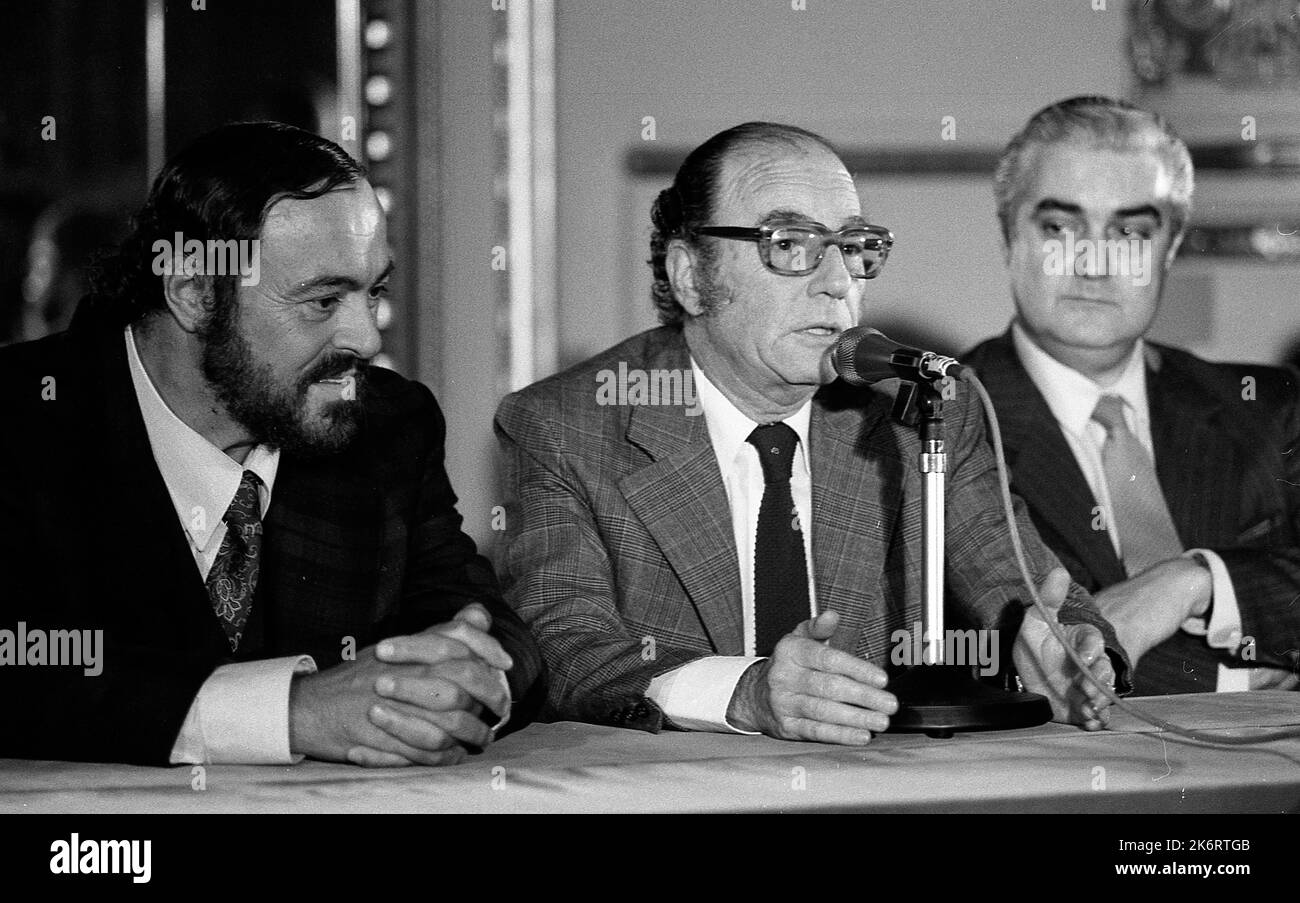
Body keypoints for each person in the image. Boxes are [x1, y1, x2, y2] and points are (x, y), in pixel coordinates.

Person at [495, 121, 1124, 745]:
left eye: (853, 246)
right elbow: (563, 646)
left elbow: (1027, 593)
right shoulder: (568, 425)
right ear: (690, 277)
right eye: (790, 245)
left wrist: (1068, 651)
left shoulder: (920, 409)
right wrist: (744, 691)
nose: (837, 282)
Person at [0, 121, 544, 766]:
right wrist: (288, 712)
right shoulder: (22, 421)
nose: (366, 339)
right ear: (194, 292)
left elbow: (484, 624)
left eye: (375, 293)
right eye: (322, 300)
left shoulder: (387, 425)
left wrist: (462, 684)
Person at [964, 96, 1300, 695]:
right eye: (1060, 227)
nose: (1094, 263)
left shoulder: (1271, 408)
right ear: (1007, 236)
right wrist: (1235, 677)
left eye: (1129, 232)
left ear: (1170, 247)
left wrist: (1193, 580)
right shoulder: (935, 421)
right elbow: (963, 652)